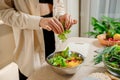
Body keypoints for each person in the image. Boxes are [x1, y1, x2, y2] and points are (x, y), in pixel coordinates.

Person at [0, 0, 77, 80]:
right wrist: (38, 21)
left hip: (53, 39)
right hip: (30, 46)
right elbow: (4, 12)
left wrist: (60, 16)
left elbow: (59, 4)